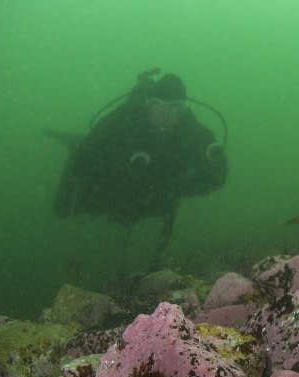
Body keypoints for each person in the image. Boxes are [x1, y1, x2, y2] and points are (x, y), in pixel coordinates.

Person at [53, 70, 227, 264]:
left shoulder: (192, 133)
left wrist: (173, 188)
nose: (165, 114)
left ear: (184, 109)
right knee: (62, 209)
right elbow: (84, 157)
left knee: (156, 206)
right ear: (148, 104)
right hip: (113, 185)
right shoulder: (126, 120)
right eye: (157, 106)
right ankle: (74, 143)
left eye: (174, 108)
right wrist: (119, 179)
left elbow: (217, 175)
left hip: (152, 197)